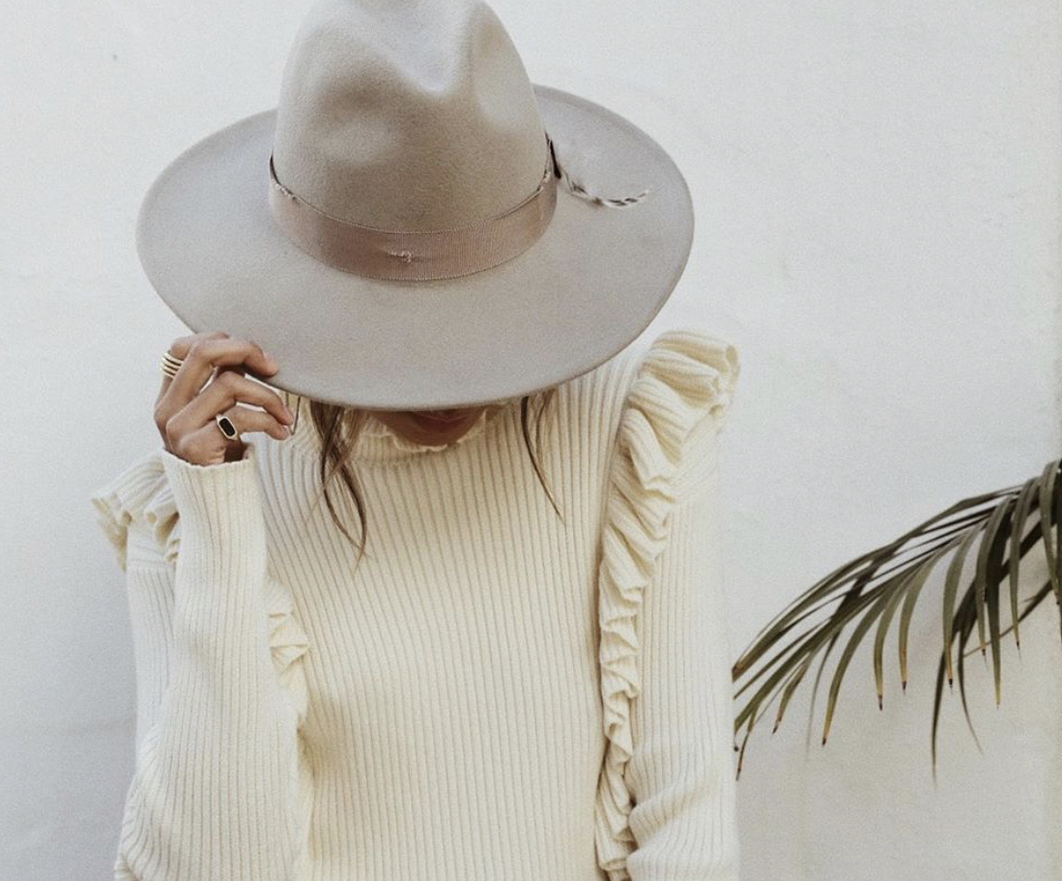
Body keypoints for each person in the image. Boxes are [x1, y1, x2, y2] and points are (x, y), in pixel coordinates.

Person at [90, 1, 742, 879]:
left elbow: (690, 830)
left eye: (476, 315)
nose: (447, 378)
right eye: (395, 328)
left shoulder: (636, 434)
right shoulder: (196, 504)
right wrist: (217, 520)